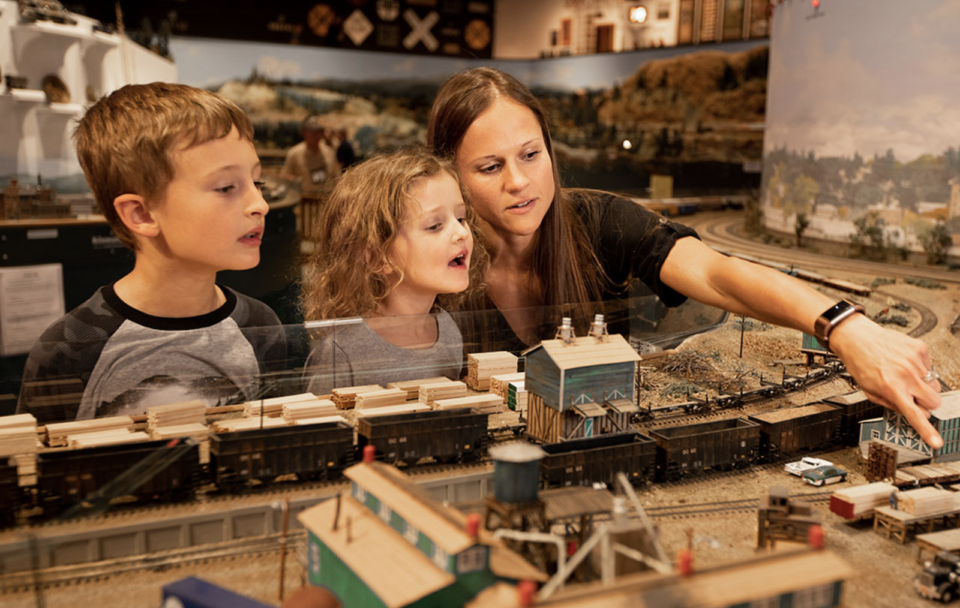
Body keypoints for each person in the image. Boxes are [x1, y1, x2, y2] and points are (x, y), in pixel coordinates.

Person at [427, 67, 944, 448]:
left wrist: (847, 327)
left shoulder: (598, 221)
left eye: (531, 155)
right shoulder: (431, 257)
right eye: (490, 166)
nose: (519, 182)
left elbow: (717, 275)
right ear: (450, 174)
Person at [16, 83, 286, 421]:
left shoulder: (261, 326)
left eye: (256, 183)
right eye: (226, 187)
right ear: (141, 214)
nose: (259, 204)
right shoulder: (70, 349)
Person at [300, 147, 487, 395]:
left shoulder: (449, 332)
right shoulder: (341, 353)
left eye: (461, 218)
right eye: (434, 226)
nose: (462, 233)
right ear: (377, 257)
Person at [282, 115, 340, 198]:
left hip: (325, 200)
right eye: (312, 132)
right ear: (304, 132)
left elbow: (336, 176)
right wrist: (296, 181)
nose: (316, 135)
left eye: (319, 132)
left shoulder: (329, 152)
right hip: (304, 202)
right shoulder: (294, 153)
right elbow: (286, 176)